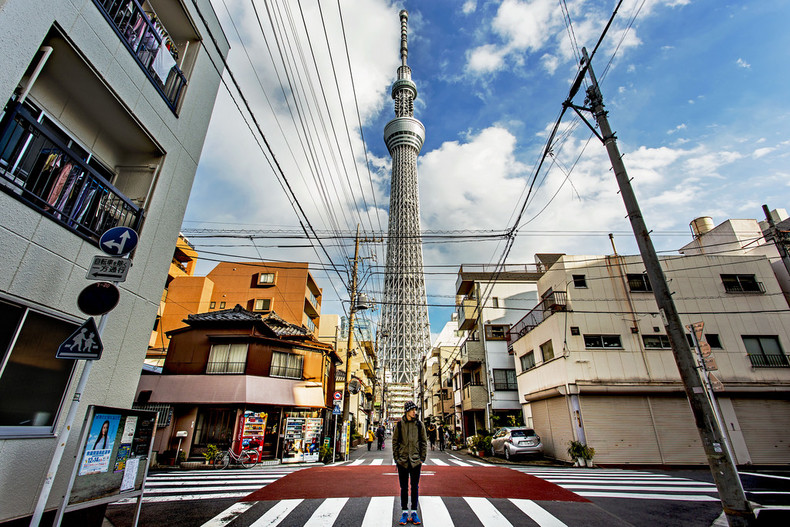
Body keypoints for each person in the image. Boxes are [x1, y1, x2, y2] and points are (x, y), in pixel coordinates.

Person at [392, 401, 427, 525]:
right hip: (402, 461)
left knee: (415, 487)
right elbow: (395, 442)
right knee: (404, 488)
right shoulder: (399, 425)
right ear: (407, 411)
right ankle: (404, 512)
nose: (414, 412)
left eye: (415, 410)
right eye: (412, 410)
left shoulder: (419, 424)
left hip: (416, 461)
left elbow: (423, 441)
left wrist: (422, 458)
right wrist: (396, 458)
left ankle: (414, 512)